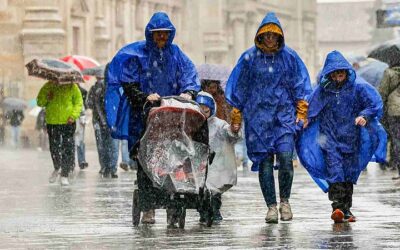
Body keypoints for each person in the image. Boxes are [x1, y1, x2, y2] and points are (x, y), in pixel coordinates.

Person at [106, 12, 200, 224]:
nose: (161, 38)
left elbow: (189, 75)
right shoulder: (138, 55)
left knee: (174, 160)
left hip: (173, 116)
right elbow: (128, 84)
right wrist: (144, 97)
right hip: (144, 116)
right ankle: (148, 206)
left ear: (170, 35)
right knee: (145, 161)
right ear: (151, 34)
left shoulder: (176, 54)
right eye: (157, 34)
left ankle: (173, 205)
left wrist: (189, 93)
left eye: (165, 34)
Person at [225, 12, 311, 224]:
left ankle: (285, 201)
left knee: (285, 159)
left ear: (279, 36)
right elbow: (240, 88)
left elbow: (299, 85)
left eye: (274, 35)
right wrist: (236, 116)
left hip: (283, 116)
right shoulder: (249, 59)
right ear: (261, 36)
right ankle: (271, 206)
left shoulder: (290, 58)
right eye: (267, 34)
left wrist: (301, 112)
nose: (270, 38)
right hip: (258, 119)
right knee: (264, 163)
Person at [305, 50, 383, 223]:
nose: (339, 75)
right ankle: (338, 207)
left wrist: (365, 115)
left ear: (346, 72)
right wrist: (305, 121)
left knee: (348, 173)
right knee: (335, 171)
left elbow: (374, 103)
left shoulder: (358, 88)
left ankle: (346, 209)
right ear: (330, 74)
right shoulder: (323, 91)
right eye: (336, 72)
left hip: (351, 138)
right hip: (329, 138)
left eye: (341, 72)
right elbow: (311, 108)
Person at [196, 91, 242, 223]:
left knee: (214, 191)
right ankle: (202, 211)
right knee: (198, 191)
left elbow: (230, 134)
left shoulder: (218, 124)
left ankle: (214, 210)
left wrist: (234, 130)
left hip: (215, 164)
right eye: (200, 110)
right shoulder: (191, 123)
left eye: (206, 110)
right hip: (197, 164)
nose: (203, 113)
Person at [37, 81, 83, 186]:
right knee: (54, 147)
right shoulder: (48, 86)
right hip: (52, 122)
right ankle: (57, 167)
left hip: (68, 122)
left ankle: (65, 174)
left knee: (68, 147)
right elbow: (39, 102)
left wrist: (73, 116)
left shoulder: (72, 87)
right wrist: (47, 98)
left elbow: (79, 102)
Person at [87, 76, 119, 178]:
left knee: (109, 145)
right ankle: (108, 167)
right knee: (107, 145)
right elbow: (94, 104)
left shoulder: (115, 87)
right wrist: (104, 121)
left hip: (109, 122)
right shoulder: (98, 88)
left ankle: (110, 168)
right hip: (102, 121)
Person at [379, 67, 400, 179]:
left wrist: (380, 108)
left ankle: (397, 165)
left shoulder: (389, 73)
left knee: (396, 139)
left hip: (394, 110)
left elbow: (382, 92)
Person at [75, 85, 89, 170]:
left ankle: (81, 161)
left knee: (80, 142)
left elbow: (82, 107)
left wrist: (83, 118)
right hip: (72, 121)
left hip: (78, 121)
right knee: (76, 142)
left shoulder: (81, 91)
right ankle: (74, 161)